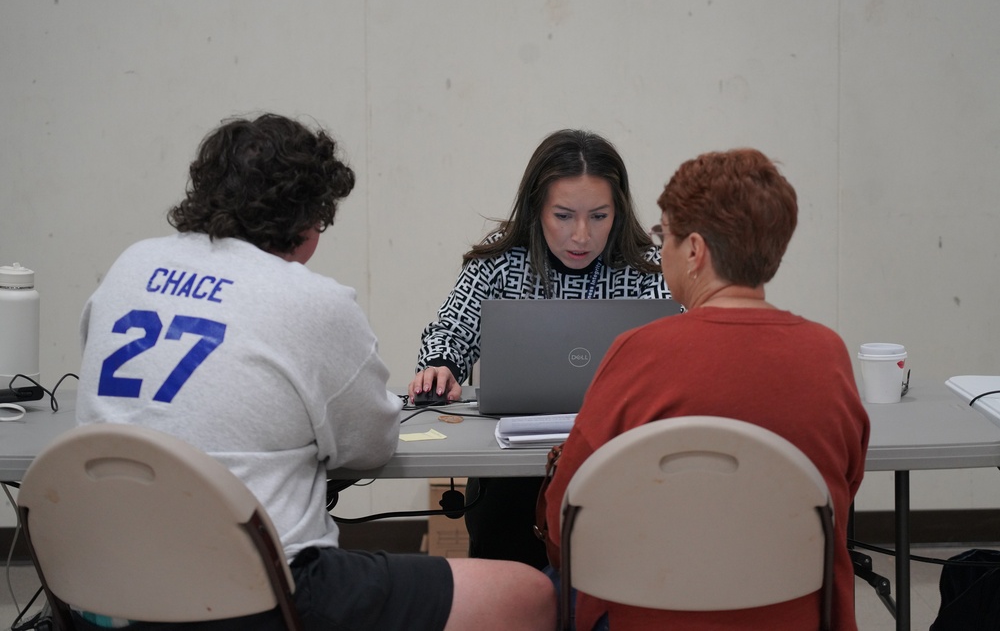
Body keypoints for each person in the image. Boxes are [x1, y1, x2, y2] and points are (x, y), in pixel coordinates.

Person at [74, 113, 555, 631]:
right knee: (528, 593)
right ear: (309, 222)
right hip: (257, 591)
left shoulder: (132, 264)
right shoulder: (313, 301)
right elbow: (370, 446)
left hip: (109, 582)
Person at [543, 148, 870, 630]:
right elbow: (840, 492)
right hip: (797, 616)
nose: (662, 248)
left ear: (694, 251)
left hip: (647, 617)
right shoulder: (829, 355)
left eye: (664, 235)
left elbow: (565, 522)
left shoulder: (638, 353)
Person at [409, 129, 673, 570]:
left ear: (620, 213)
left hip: (617, 465)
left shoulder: (649, 270)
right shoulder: (497, 265)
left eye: (600, 216)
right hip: (511, 476)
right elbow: (446, 336)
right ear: (537, 209)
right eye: (565, 216)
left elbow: (675, 360)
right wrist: (439, 366)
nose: (582, 235)